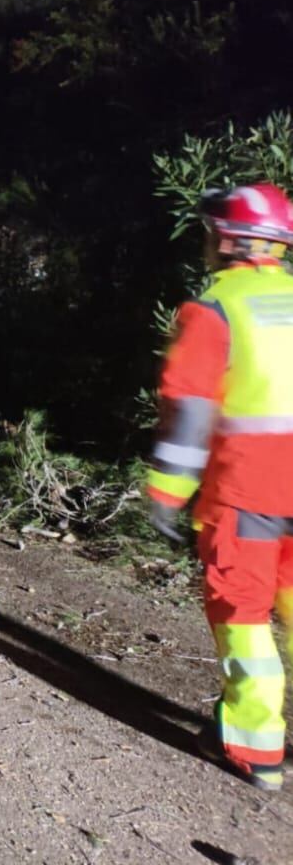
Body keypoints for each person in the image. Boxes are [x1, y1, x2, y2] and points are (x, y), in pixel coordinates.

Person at [147, 183, 293, 792]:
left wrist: (166, 492)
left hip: (248, 490)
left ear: (229, 240)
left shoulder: (216, 310)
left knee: (243, 612)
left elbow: (189, 415)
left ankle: (256, 746)